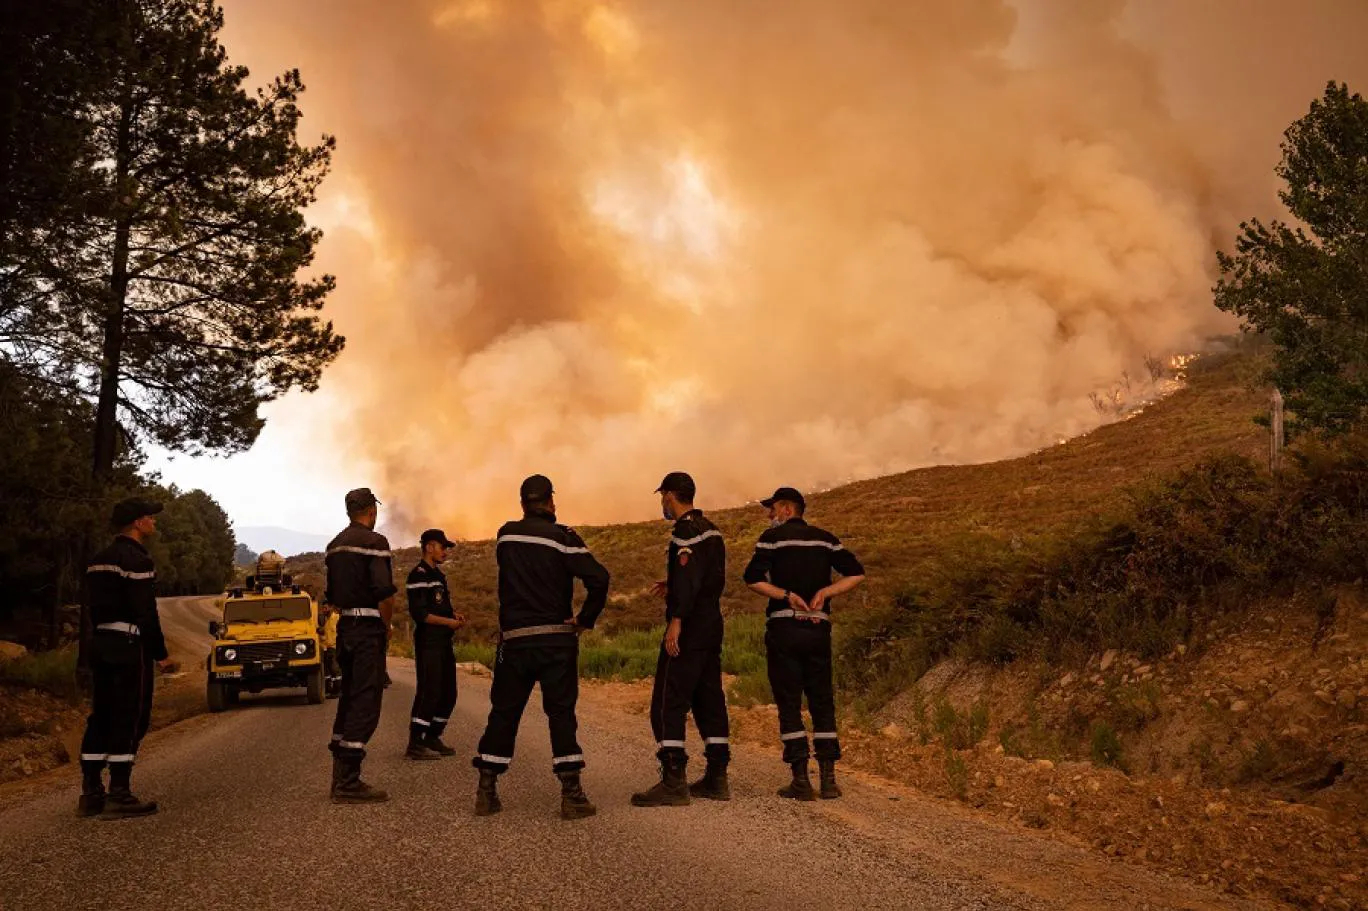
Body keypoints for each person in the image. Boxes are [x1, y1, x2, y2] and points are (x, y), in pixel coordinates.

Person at [472, 475, 610, 821]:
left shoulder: (506, 535)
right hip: (555, 641)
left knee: (504, 713)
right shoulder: (564, 538)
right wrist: (584, 619)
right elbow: (599, 578)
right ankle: (571, 794)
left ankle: (486, 791)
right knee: (561, 714)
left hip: (515, 642)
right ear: (551, 502)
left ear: (522, 504)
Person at [742, 487, 865, 800]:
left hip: (785, 628)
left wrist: (785, 595)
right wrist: (826, 593)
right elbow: (856, 573)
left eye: (772, 509)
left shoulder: (772, 539)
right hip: (818, 630)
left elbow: (752, 578)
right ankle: (828, 780)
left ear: (786, 509)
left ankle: (800, 779)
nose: (769, 516)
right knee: (822, 700)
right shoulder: (825, 538)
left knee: (789, 702)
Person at [631, 471, 730, 807]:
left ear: (671, 496)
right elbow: (707, 579)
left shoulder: (684, 532)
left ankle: (673, 780)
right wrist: (673, 585)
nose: (662, 504)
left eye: (663, 497)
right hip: (711, 625)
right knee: (708, 699)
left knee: (667, 701)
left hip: (688, 628)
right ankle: (718, 777)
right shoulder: (712, 530)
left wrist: (676, 621)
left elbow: (689, 579)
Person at [77, 497, 175, 819]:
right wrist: (160, 654)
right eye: (150, 517)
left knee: (101, 715)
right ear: (136, 523)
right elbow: (146, 612)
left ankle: (91, 793)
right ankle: (119, 793)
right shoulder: (137, 561)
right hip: (129, 647)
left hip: (101, 643)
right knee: (130, 715)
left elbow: (90, 608)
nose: (154, 522)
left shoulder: (97, 560)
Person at [324, 488, 397, 803]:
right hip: (367, 629)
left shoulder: (333, 547)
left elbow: (332, 595)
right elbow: (385, 593)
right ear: (371, 511)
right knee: (366, 701)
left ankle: (339, 774)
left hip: (345, 630)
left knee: (349, 699)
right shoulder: (375, 543)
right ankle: (348, 782)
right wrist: (386, 625)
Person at [404, 528, 465, 760]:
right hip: (428, 642)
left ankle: (433, 736)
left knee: (449, 692)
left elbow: (441, 606)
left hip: (443, 642)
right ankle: (415, 742)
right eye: (443, 547)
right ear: (429, 547)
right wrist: (447, 622)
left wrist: (454, 616)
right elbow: (421, 615)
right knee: (429, 691)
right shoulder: (417, 575)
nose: (446, 552)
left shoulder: (438, 576)